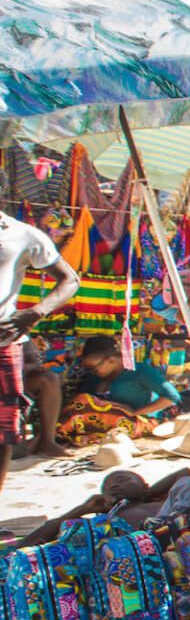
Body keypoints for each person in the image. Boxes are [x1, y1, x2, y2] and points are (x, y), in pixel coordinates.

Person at [8, 445, 190, 547]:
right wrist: (85, 507)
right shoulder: (110, 515)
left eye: (123, 479)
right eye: (110, 487)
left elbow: (183, 470)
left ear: (144, 483)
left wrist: (145, 491)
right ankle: (188, 529)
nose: (115, 486)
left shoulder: (159, 497)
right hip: (161, 539)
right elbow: (42, 535)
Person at [0, 210, 81, 492]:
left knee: (3, 432)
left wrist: (36, 312)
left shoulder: (21, 234)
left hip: (3, 343)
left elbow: (69, 279)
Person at [77, 335, 182, 418]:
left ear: (111, 360)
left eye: (94, 368)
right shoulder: (94, 377)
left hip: (139, 420)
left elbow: (172, 396)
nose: (91, 372)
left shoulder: (140, 371)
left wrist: (134, 412)